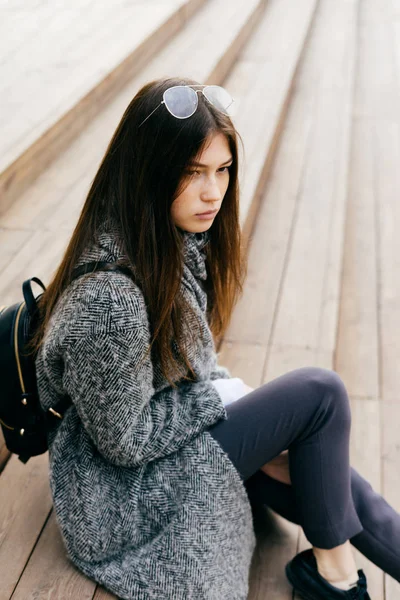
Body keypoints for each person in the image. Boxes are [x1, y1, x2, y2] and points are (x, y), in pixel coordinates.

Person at [31, 76, 400, 600]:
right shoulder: (109, 299)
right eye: (192, 172)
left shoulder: (169, 242)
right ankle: (336, 578)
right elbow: (125, 442)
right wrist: (221, 402)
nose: (214, 192)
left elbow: (190, 371)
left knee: (321, 465)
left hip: (169, 436)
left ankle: (335, 574)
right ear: (149, 173)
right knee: (320, 394)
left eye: (223, 170)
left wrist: (242, 411)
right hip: (124, 496)